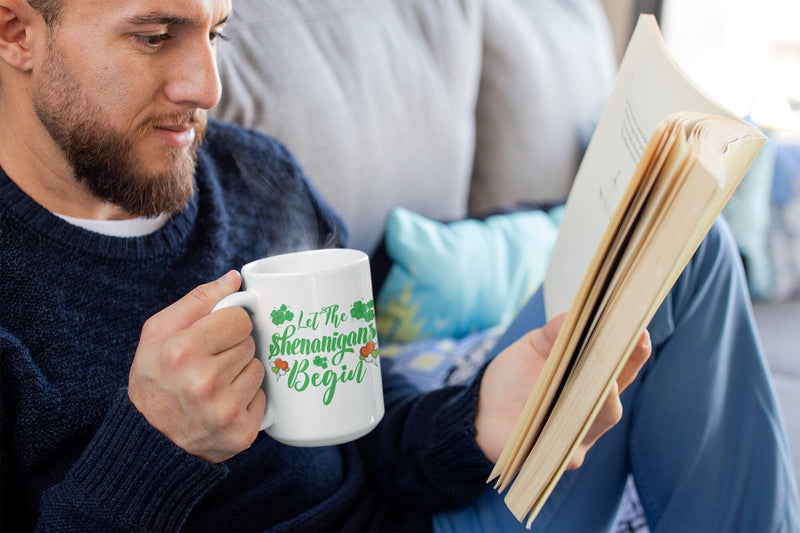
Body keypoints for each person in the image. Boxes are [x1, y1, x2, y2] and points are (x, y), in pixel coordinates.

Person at [0, 0, 796, 532]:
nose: (206, 87)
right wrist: (153, 449)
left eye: (218, 33)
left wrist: (475, 416)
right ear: (16, 33)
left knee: (684, 253)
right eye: (153, 35)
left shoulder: (259, 180)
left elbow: (374, 425)